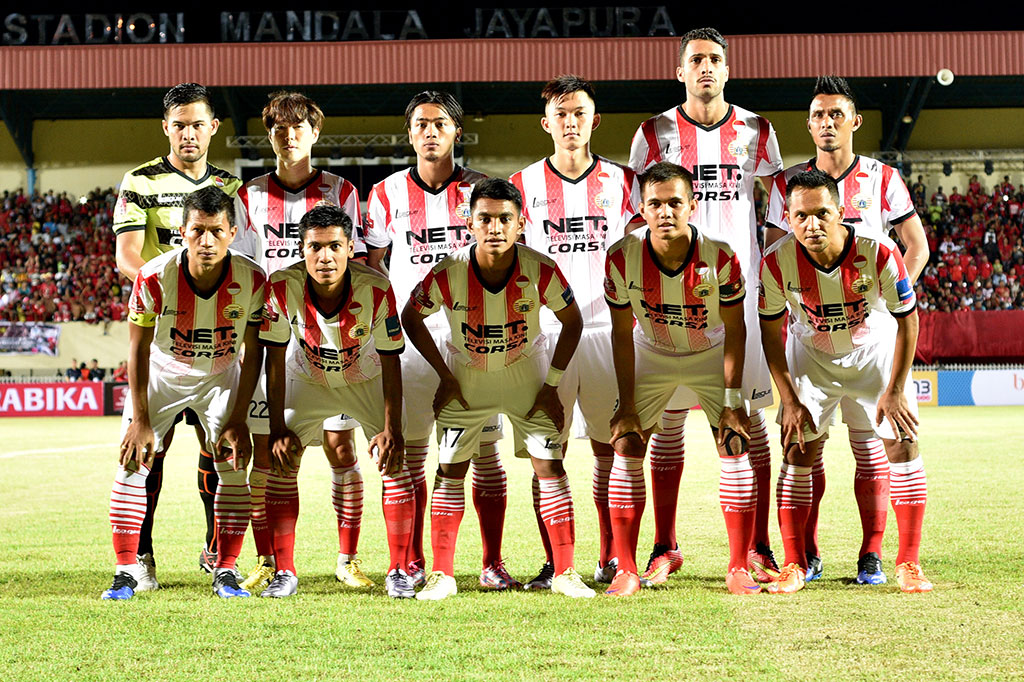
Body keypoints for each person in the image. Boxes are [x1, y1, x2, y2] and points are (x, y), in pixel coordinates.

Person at [628, 27, 784, 584]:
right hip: (671, 302)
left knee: (749, 422)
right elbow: (638, 218)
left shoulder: (759, 132)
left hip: (738, 298)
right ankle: (665, 546)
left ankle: (759, 546)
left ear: (727, 68)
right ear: (680, 71)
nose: (706, 68)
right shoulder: (653, 133)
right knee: (668, 423)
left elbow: (775, 215)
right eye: (695, 60)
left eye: (715, 59)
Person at [763, 75, 929, 584]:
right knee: (800, 446)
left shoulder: (882, 178)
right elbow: (778, 257)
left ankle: (879, 556)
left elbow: (915, 248)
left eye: (837, 114)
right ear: (809, 124)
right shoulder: (787, 184)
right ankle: (803, 557)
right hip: (811, 340)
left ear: (854, 121)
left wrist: (883, 294)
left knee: (882, 445)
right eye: (818, 115)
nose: (827, 123)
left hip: (872, 335)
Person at [401, 178, 594, 600]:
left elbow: (573, 320)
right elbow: (410, 317)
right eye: (484, 218)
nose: (495, 227)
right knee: (450, 468)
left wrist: (552, 385)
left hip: (527, 379)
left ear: (520, 224)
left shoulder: (540, 268)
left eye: (505, 218)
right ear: (468, 223)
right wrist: (445, 376)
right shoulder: (448, 271)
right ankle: (443, 575)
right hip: (466, 383)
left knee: (550, 467)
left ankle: (565, 572)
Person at [364, 91, 513, 589]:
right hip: (409, 343)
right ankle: (406, 562)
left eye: (440, 124)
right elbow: (372, 270)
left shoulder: (484, 193)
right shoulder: (384, 195)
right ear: (409, 135)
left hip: (474, 343)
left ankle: (491, 562)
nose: (430, 132)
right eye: (421, 125)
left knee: (485, 452)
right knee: (408, 453)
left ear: (456, 132)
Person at [230, 91, 372, 593]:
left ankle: (348, 557)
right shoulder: (248, 196)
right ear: (268, 135)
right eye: (278, 129)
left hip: (332, 339)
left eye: (298, 128)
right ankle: (269, 561)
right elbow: (244, 271)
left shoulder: (342, 191)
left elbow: (359, 266)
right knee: (268, 453)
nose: (288, 137)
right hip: (273, 340)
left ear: (315, 133)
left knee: (339, 445)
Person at [102, 186, 265, 600]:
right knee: (131, 462)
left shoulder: (253, 279)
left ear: (232, 232)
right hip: (163, 374)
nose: (206, 242)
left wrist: (238, 418)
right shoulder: (154, 276)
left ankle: (225, 570)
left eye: (215, 231)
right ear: (181, 231)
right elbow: (137, 348)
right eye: (197, 231)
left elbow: (255, 349)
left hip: (220, 376)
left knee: (231, 465)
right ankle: (125, 571)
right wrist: (140, 420)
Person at [604, 162, 759, 597]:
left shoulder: (720, 254)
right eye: (655, 203)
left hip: (708, 352)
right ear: (641, 209)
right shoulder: (621, 256)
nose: (666, 212)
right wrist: (627, 403)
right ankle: (627, 569)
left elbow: (735, 328)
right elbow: (620, 331)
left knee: (734, 441)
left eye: (675, 202)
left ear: (693, 205)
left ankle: (737, 566)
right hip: (652, 352)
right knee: (627, 443)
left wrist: (731, 398)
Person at [510, 74, 640, 588]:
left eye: (579, 113)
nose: (570, 123)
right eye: (561, 115)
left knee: (612, 447)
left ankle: (612, 557)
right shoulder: (522, 186)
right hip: (546, 335)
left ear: (594, 120)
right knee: (547, 450)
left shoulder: (625, 182)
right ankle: (553, 561)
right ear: (547, 123)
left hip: (608, 331)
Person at [112, 83, 244, 584]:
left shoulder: (231, 188)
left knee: (218, 449)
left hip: (218, 340)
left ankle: (216, 555)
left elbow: (241, 258)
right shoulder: (139, 180)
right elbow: (128, 255)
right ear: (166, 128)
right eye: (179, 124)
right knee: (148, 449)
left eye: (198, 124)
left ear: (213, 128)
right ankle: (141, 558)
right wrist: (172, 292)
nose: (188, 133)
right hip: (161, 332)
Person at [259, 204, 411, 598]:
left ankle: (399, 570)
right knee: (281, 460)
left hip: (365, 379)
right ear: (301, 249)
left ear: (349, 248)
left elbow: (393, 360)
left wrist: (391, 427)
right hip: (307, 378)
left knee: (395, 461)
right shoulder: (281, 285)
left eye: (334, 247)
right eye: (315, 247)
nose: (325, 257)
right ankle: (285, 572)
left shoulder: (376, 287)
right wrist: (277, 427)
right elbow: (273, 359)